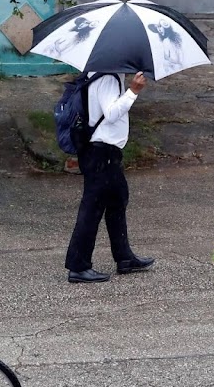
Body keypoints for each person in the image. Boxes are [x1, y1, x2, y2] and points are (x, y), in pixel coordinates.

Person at [65, 71, 155, 283]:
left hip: (105, 153)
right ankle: (78, 266)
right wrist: (133, 91)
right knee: (91, 209)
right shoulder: (107, 78)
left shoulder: (104, 74)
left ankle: (124, 258)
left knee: (118, 200)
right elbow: (112, 113)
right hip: (101, 153)